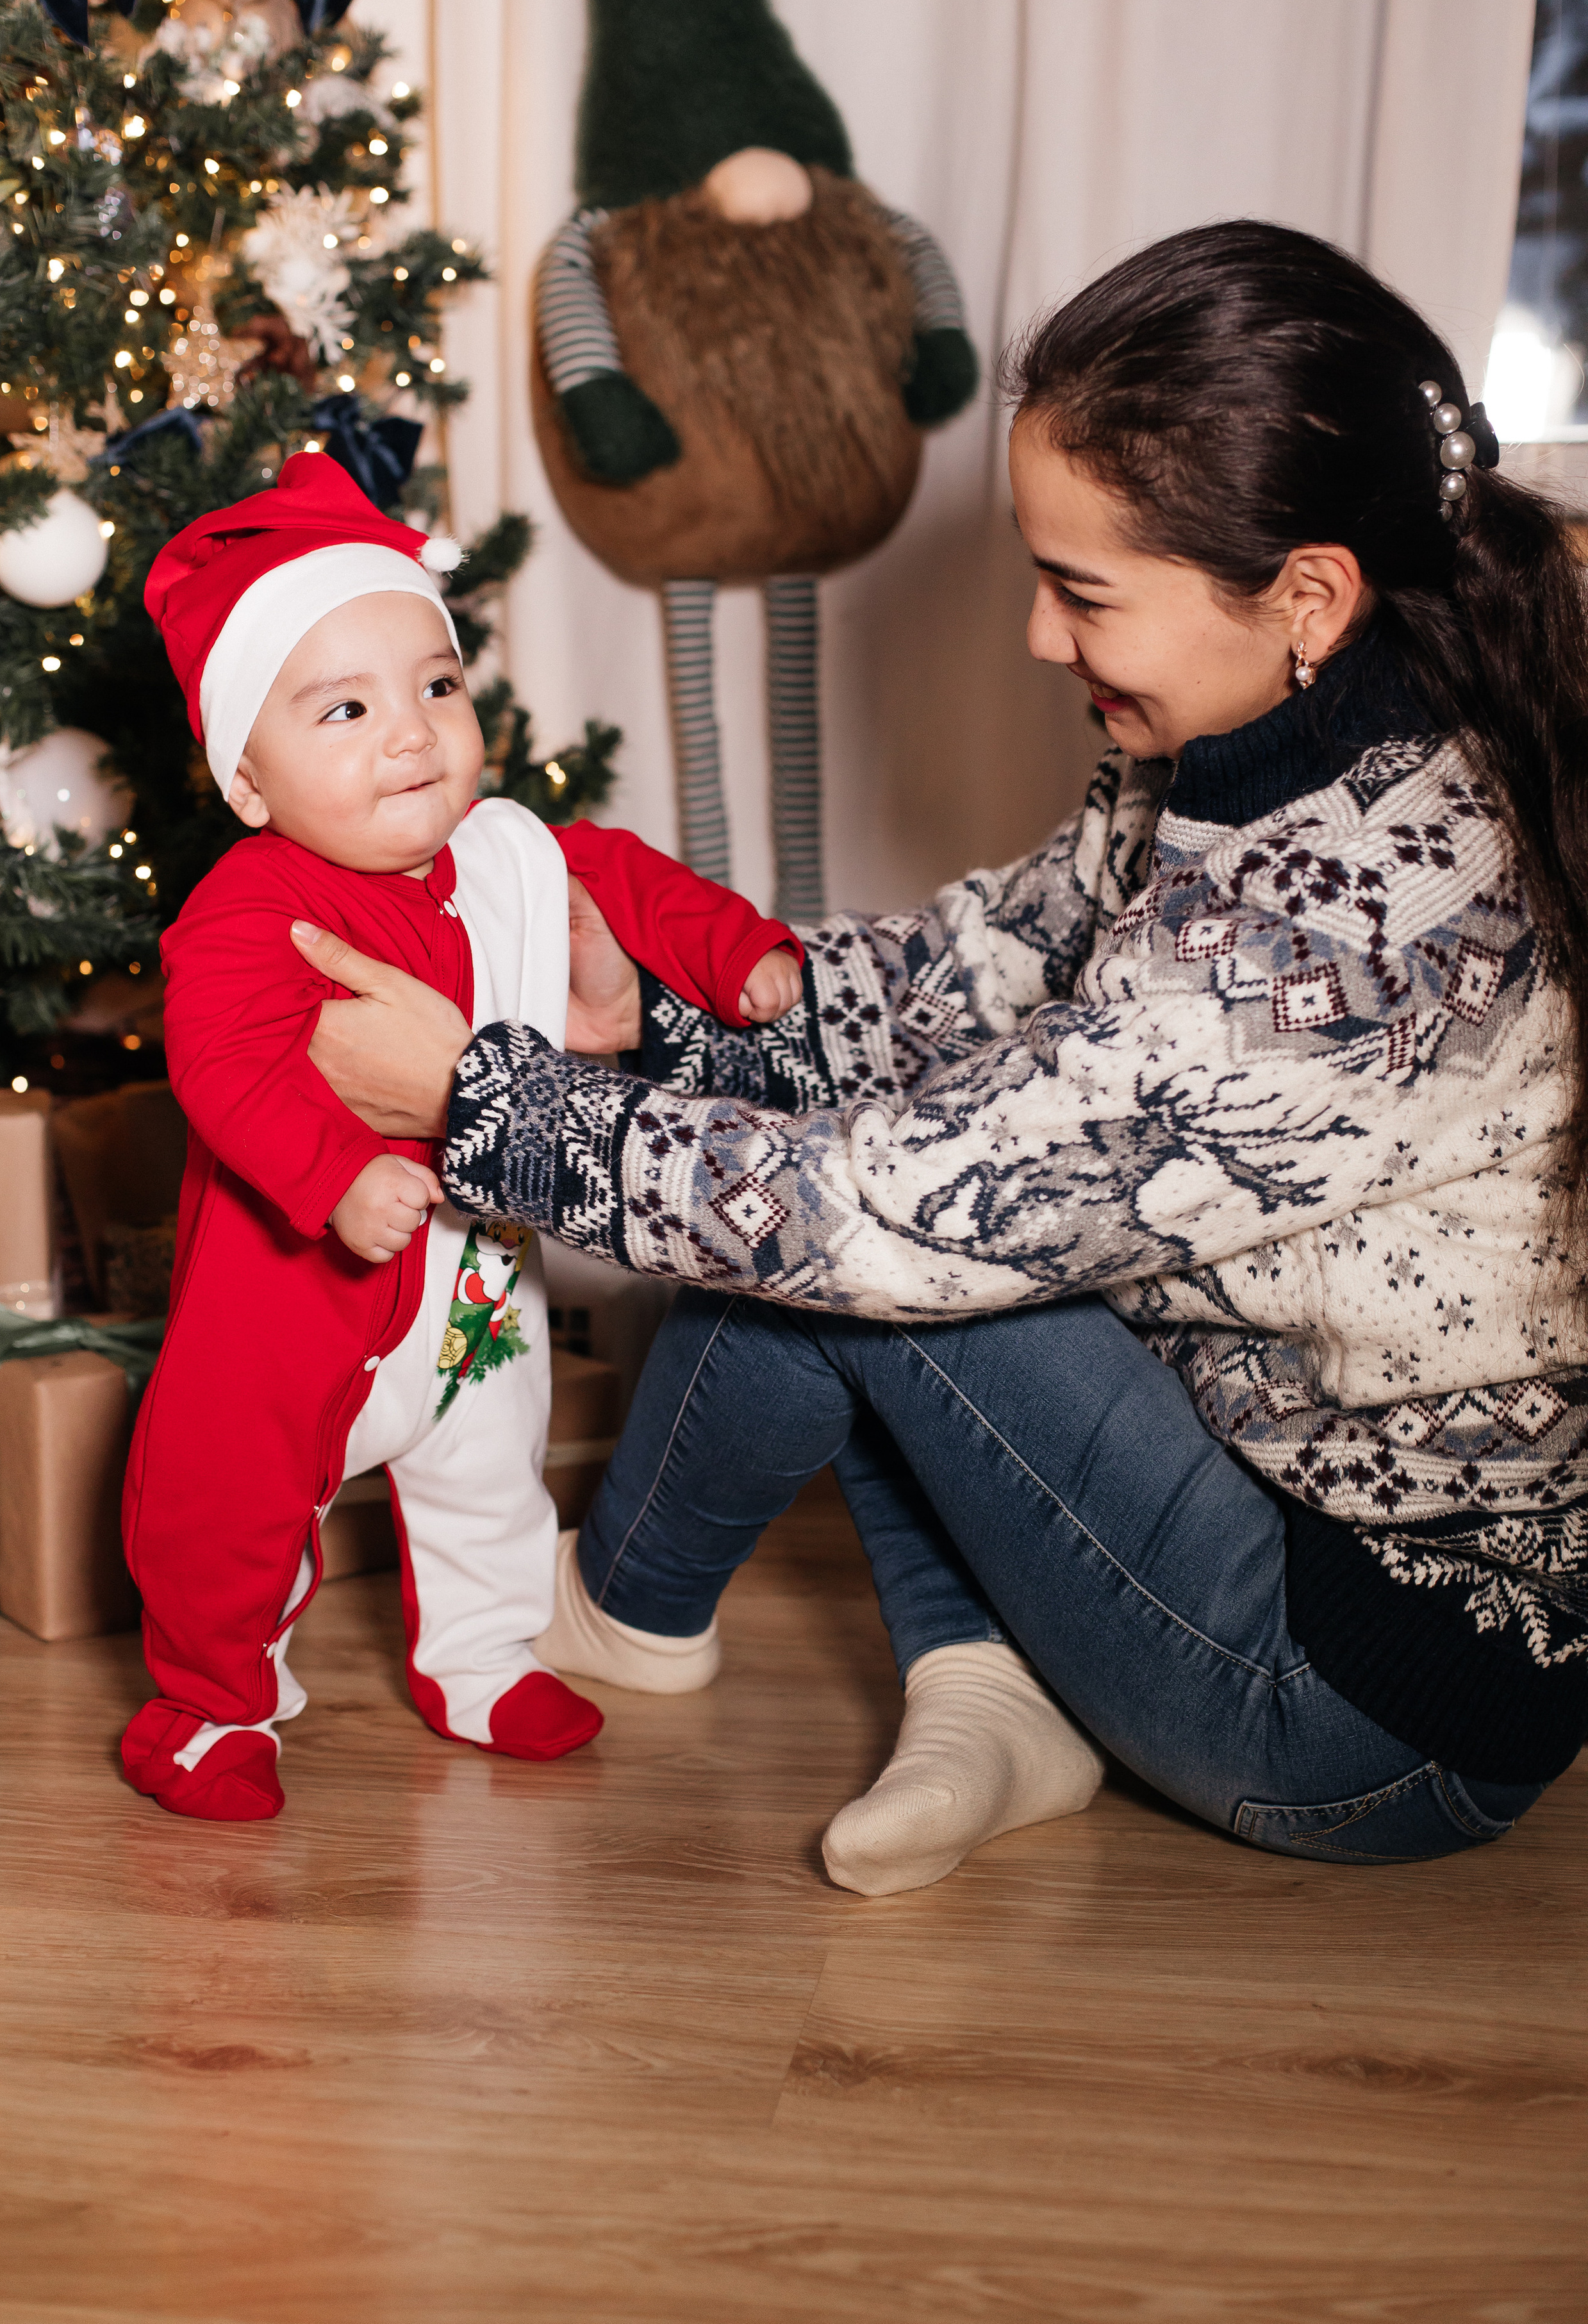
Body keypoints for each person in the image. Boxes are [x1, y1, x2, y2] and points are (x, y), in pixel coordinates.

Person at [293, 222, 1588, 1891]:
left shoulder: (1339, 937)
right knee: (901, 1159)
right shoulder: (1281, 725)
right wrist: (664, 1014)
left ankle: (617, 1608)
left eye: (1085, 592)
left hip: (1358, 1714)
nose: (1044, 639)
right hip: (1277, 1499)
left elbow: (880, 1218)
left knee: (856, 1237)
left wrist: (486, 1105)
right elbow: (978, 967)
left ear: (1308, 593)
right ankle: (984, 1675)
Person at [120, 449, 803, 1825]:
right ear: (248, 782)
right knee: (228, 1510)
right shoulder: (251, 906)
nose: (412, 733)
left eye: (435, 686)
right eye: (346, 710)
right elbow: (225, 1059)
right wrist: (332, 1171)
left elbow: (633, 883)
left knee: (493, 1475)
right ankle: (206, 1703)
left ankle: (482, 1659)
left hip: (475, 1285)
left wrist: (743, 959)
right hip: (294, 1302)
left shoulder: (505, 852)